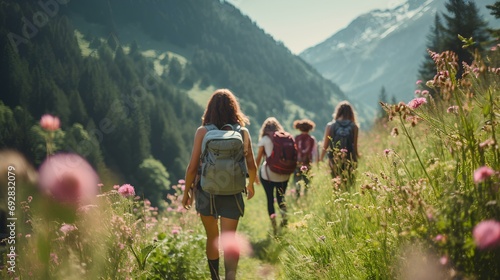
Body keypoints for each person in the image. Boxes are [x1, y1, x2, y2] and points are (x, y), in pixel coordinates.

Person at [182, 89, 257, 280]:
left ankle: (215, 277)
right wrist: (250, 186)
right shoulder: (243, 132)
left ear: (210, 110)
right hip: (232, 192)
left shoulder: (202, 132)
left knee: (212, 238)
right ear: (234, 110)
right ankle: (230, 278)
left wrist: (187, 193)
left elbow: (192, 168)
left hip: (206, 192)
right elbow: (251, 165)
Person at [255, 117, 291, 235]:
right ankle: (284, 220)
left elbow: (259, 159)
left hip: (268, 175)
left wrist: (254, 175)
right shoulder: (284, 137)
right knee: (281, 198)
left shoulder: (265, 139)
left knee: (270, 200)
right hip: (284, 175)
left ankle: (274, 226)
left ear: (265, 129)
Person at [319, 101, 360, 187]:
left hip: (334, 159)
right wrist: (358, 157)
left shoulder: (330, 126)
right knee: (349, 184)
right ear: (351, 113)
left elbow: (325, 145)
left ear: (338, 112)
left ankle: (337, 199)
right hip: (350, 159)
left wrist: (321, 158)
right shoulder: (354, 126)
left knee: (336, 184)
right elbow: (355, 147)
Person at [292, 119, 318, 198]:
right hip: (307, 164)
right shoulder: (312, 139)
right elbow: (315, 152)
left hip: (297, 164)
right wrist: (315, 163)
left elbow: (293, 151)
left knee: (297, 182)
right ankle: (306, 199)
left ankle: (297, 198)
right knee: (307, 183)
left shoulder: (296, 138)